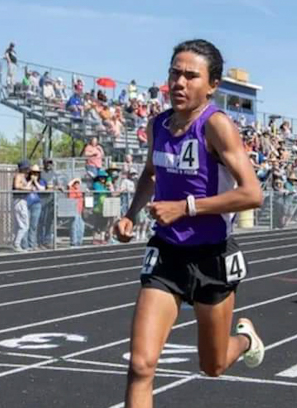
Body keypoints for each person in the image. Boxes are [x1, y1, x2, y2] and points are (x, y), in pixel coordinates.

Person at [115, 39, 265, 408]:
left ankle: (245, 339)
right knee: (140, 365)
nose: (179, 83)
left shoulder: (216, 126)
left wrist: (186, 207)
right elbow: (150, 173)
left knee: (212, 365)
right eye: (174, 73)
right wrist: (130, 214)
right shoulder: (158, 125)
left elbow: (252, 194)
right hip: (166, 253)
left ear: (212, 84)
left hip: (212, 255)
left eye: (191, 76)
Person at [12, 160, 32, 252]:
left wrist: (31, 182)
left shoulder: (24, 177)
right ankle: (16, 244)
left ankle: (16, 243)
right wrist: (26, 188)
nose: (28, 169)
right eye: (27, 167)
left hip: (22, 201)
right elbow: (16, 185)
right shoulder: (19, 175)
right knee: (25, 225)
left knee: (20, 225)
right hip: (19, 201)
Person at [67, 178, 85, 247]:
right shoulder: (71, 189)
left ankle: (79, 241)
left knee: (81, 226)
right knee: (74, 226)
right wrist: (73, 181)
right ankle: (73, 241)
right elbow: (68, 185)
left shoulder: (80, 190)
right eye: (75, 183)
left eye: (78, 183)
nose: (77, 184)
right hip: (73, 210)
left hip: (80, 210)